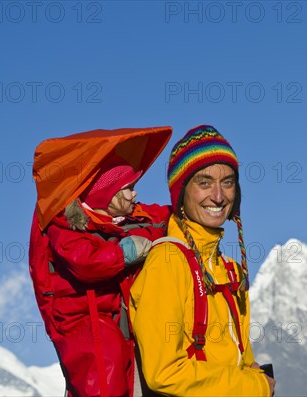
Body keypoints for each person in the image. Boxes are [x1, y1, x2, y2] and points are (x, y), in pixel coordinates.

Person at [130, 125, 275, 396]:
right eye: (204, 183)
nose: (218, 196)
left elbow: (243, 359)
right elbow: (164, 372)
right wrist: (255, 387)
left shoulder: (230, 271)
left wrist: (255, 376)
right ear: (181, 192)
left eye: (228, 182)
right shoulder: (167, 262)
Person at [35, 157, 170, 397]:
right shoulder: (65, 225)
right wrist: (124, 252)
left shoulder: (122, 219)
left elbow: (160, 216)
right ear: (107, 194)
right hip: (85, 326)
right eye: (128, 188)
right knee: (106, 380)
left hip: (116, 324)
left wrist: (186, 203)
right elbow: (87, 262)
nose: (134, 193)